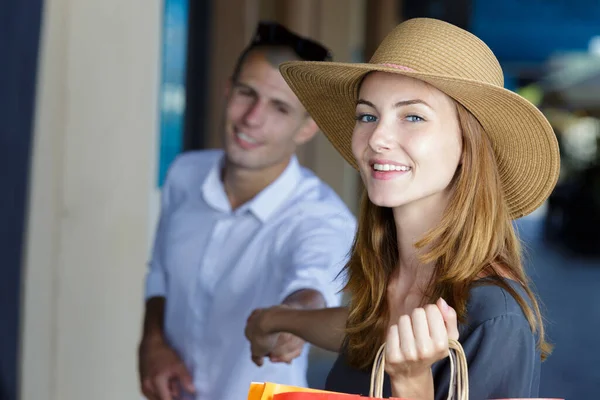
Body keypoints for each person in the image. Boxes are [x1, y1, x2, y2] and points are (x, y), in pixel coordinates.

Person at [245, 17, 560, 400]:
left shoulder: (495, 316)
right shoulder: (396, 273)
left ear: (469, 145)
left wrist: (412, 382)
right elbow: (363, 329)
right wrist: (274, 320)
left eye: (412, 116)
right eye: (367, 115)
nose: (378, 137)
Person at [138, 22, 356, 400]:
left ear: (307, 128)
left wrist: (293, 319)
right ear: (228, 89)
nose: (252, 118)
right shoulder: (184, 175)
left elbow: (313, 287)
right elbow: (159, 274)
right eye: (246, 93)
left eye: (280, 108)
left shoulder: (324, 219)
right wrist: (152, 342)